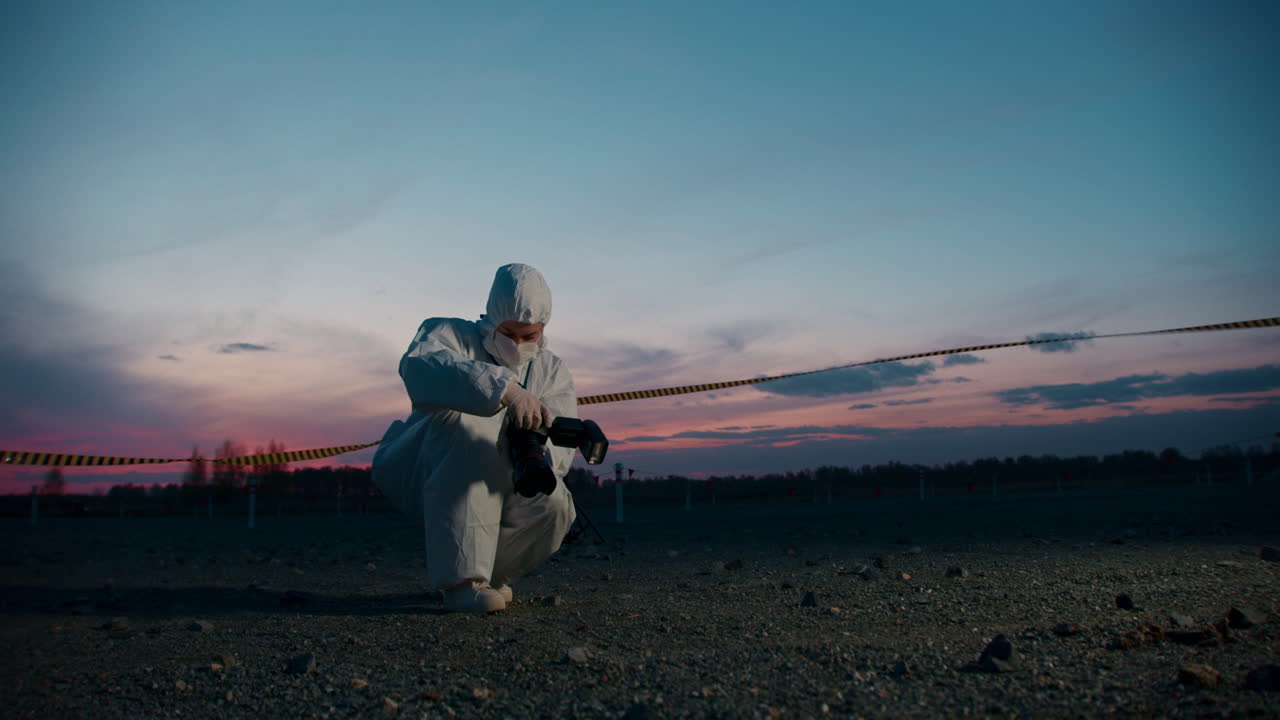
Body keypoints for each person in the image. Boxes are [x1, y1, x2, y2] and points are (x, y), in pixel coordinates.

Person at [372, 264, 577, 613]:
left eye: (530, 336)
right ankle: (461, 582)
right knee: (474, 425)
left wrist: (538, 444)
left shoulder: (551, 370)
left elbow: (562, 439)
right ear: (492, 317)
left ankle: (490, 576)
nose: (518, 344)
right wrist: (505, 391)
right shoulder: (448, 334)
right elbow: (421, 368)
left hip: (505, 471)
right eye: (509, 332)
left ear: (543, 328)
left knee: (554, 503)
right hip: (428, 464)